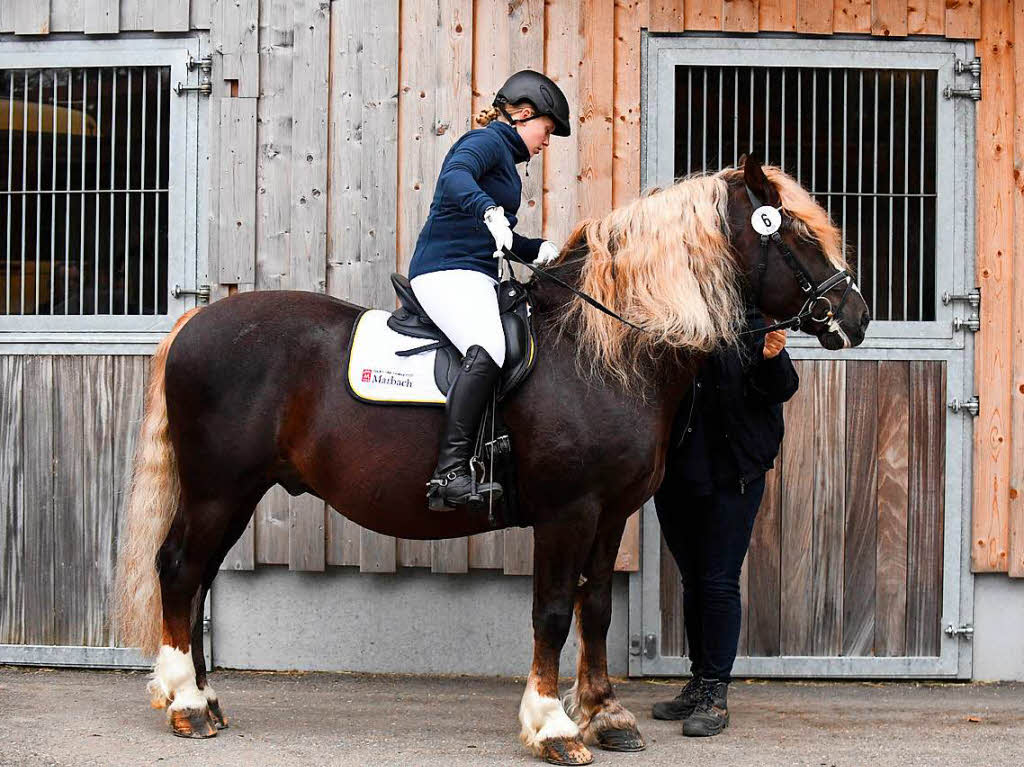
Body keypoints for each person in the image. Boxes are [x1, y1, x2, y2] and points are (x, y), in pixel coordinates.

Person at [408, 70, 570, 512]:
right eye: (547, 130)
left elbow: (502, 237)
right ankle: (450, 472)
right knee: (489, 347)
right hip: (444, 271)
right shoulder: (484, 143)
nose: (547, 142)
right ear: (522, 114)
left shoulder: (507, 161)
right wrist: (488, 209)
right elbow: (455, 178)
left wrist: (536, 249)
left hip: (476, 273)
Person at [651, 309, 799, 736]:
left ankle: (715, 692)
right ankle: (698, 683)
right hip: (678, 470)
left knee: (718, 580)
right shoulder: (672, 316)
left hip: (734, 471)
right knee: (693, 581)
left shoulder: (751, 318)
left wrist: (772, 357)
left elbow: (781, 389)